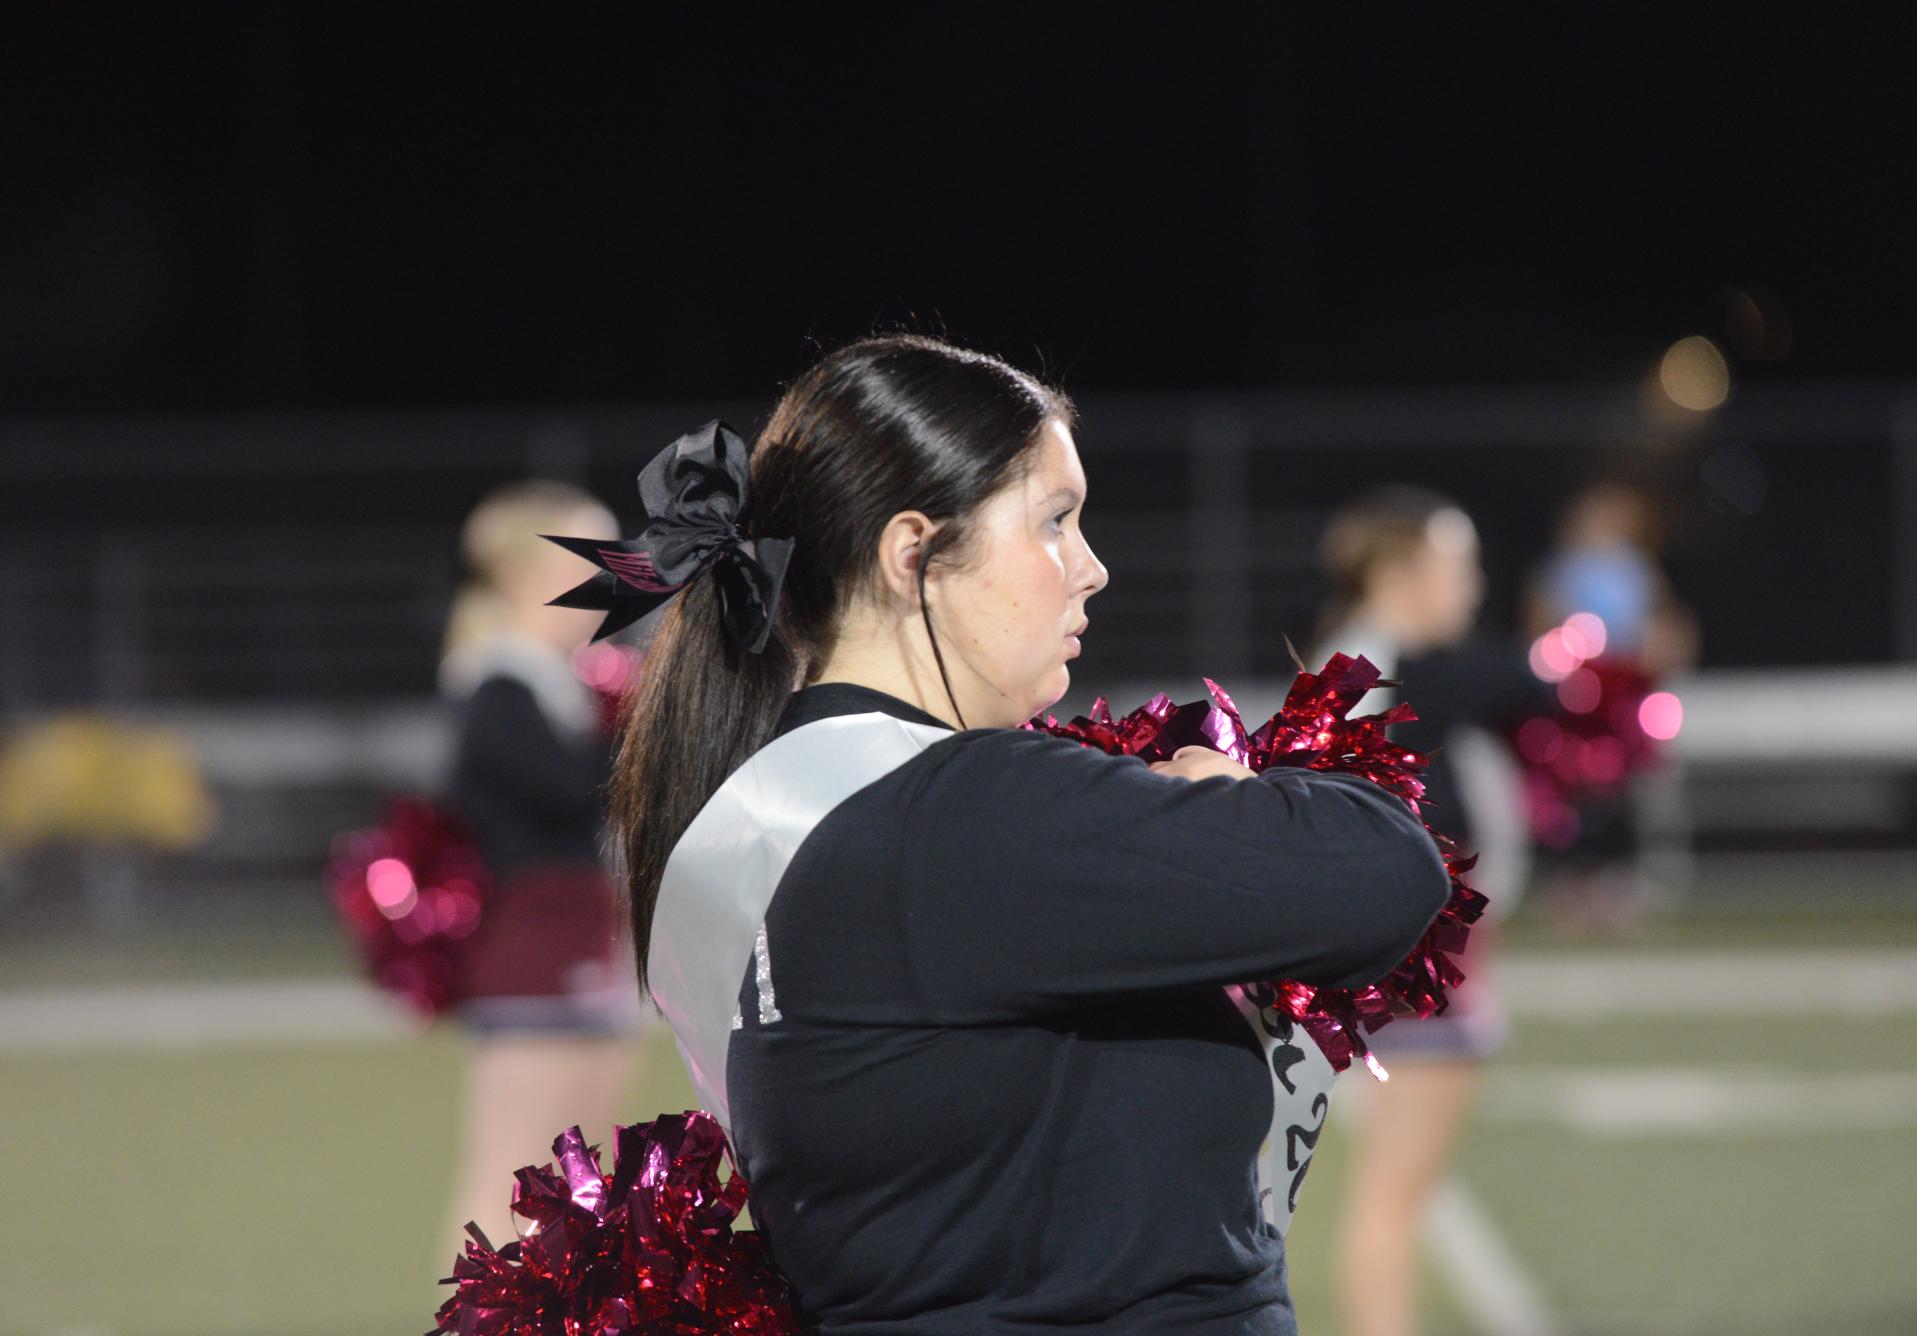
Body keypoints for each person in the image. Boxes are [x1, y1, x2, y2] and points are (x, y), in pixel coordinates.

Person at [562, 334, 1453, 1334]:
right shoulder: (964, 815)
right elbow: (1388, 871)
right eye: (1055, 522)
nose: (1093, 568)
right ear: (917, 557)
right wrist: (1227, 788)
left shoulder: (774, 812)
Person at [1308, 485, 1555, 1336]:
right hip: (1413, 963)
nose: (1473, 585)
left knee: (1397, 1192)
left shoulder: (1380, 665)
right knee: (1393, 1194)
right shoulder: (1373, 675)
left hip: (1425, 960)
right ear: (1397, 571)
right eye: (1458, 565)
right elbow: (1378, 846)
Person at [434, 480, 643, 1270]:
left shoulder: (571, 680)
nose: (615, 580)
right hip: (530, 963)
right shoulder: (495, 685)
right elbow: (580, 790)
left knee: (579, 1195)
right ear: (525, 576)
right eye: (595, 560)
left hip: (591, 952)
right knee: (504, 1191)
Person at [1523, 480, 1699, 936]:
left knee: (1626, 788)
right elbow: (1539, 622)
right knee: (1573, 791)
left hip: (1626, 698)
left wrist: (1665, 649)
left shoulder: (1636, 567)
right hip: (1579, 697)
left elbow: (1666, 621)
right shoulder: (1562, 568)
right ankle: (1573, 886)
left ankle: (1618, 885)